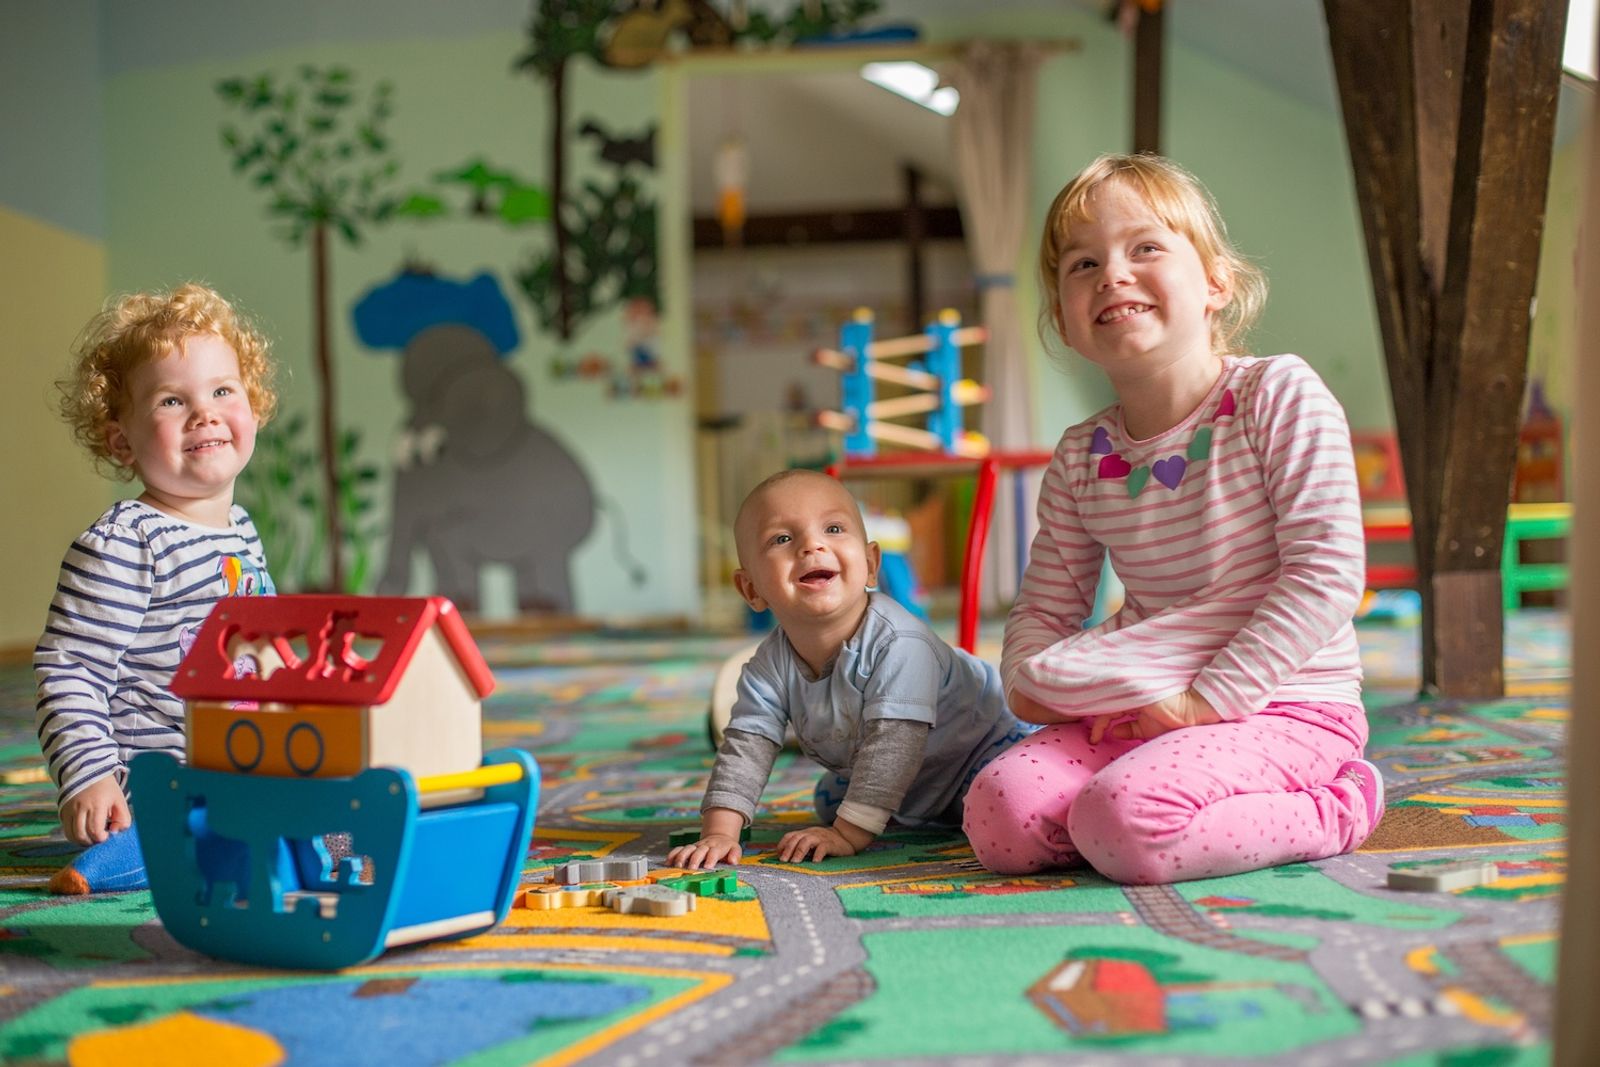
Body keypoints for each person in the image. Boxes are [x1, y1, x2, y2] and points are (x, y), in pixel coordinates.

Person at [962, 154, 1382, 885]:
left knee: (1126, 820)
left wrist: (1205, 701)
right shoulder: (1081, 454)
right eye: (1083, 264)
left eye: (1145, 247)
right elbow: (1046, 604)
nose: (1112, 274)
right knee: (999, 813)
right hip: (1142, 706)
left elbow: (1327, 571)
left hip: (1284, 703)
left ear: (1216, 282)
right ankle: (1124, 814)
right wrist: (1028, 679)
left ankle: (1337, 805)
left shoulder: (1278, 393)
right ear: (1063, 315)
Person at [35, 283, 279, 893]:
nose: (204, 413)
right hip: (165, 781)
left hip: (250, 762)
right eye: (172, 401)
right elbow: (69, 668)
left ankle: (337, 845)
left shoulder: (242, 530)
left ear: (253, 407)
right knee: (199, 836)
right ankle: (110, 865)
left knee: (337, 794)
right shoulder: (126, 541)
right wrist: (89, 776)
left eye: (223, 390)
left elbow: (263, 644)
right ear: (123, 440)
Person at [668, 469, 1030, 869]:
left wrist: (847, 834)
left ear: (871, 564)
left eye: (834, 528)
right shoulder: (766, 666)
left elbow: (895, 744)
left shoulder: (900, 645)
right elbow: (745, 747)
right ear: (751, 589)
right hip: (917, 779)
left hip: (987, 748)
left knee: (1012, 801)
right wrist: (719, 833)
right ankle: (930, 811)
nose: (812, 545)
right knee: (831, 800)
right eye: (783, 539)